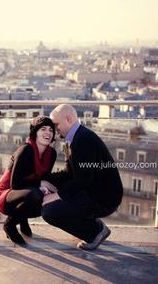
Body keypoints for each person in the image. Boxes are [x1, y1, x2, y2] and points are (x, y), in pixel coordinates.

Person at [41, 104, 123, 250]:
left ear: (68, 119)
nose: (54, 129)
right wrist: (46, 180)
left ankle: (95, 232)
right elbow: (70, 173)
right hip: (94, 191)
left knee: (50, 212)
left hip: (103, 198)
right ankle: (91, 226)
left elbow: (83, 180)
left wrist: (55, 195)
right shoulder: (74, 138)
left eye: (56, 124)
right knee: (52, 203)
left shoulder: (83, 140)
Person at [0, 116, 57, 244]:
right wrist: (41, 185)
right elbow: (15, 184)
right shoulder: (25, 150)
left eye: (51, 130)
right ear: (35, 132)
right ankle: (9, 225)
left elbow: (45, 178)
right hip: (5, 195)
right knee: (36, 194)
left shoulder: (52, 153)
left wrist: (49, 187)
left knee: (49, 200)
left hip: (26, 194)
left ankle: (22, 219)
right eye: (43, 129)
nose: (48, 133)